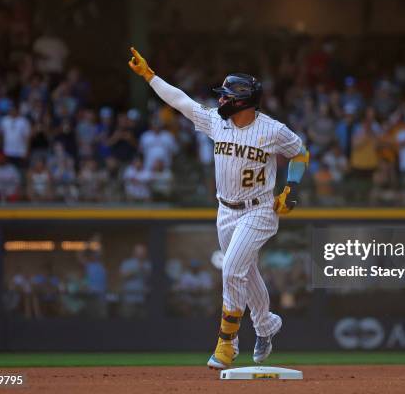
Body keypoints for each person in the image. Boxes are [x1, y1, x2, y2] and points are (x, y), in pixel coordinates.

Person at [129, 47, 309, 369]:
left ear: (243, 102)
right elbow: (181, 102)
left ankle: (227, 343)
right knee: (246, 272)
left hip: (259, 209)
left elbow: (300, 152)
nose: (221, 100)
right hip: (225, 211)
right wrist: (149, 76)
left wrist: (291, 188)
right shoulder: (216, 121)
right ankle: (266, 325)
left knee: (231, 269)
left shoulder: (272, 129)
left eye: (227, 97)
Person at [119, 244, 152, 318]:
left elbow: (151, 279)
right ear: (134, 253)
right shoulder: (127, 263)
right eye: (139, 252)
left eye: (143, 252)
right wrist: (136, 269)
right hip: (129, 298)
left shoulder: (148, 264)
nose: (141, 254)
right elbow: (123, 276)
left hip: (143, 299)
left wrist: (145, 271)